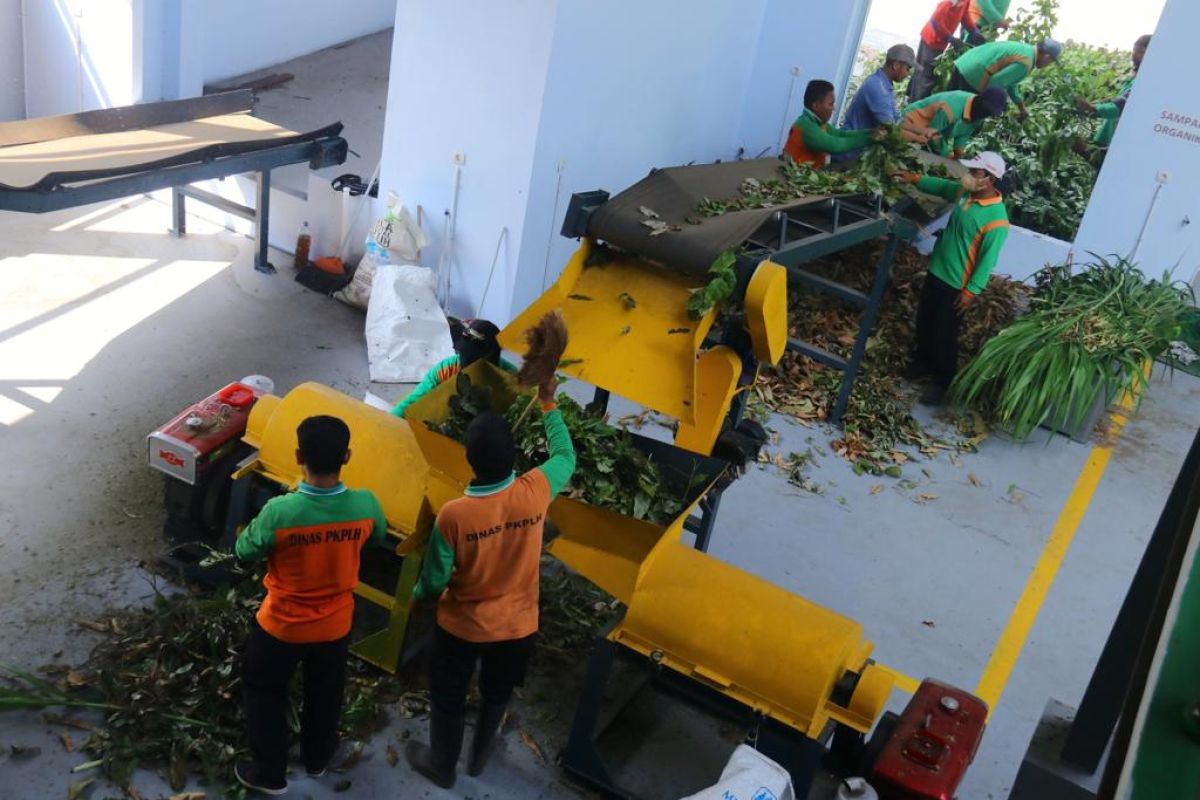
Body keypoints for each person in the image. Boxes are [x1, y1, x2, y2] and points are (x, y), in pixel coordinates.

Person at [405, 373, 575, 788]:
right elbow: (565, 455)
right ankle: (479, 757)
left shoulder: (455, 515)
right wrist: (549, 403)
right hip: (518, 627)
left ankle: (441, 765)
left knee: (448, 695)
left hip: (462, 628)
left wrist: (416, 596)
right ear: (515, 455)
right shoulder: (536, 490)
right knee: (497, 691)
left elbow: (434, 581)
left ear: (470, 460)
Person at [234, 415, 389, 795]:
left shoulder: (281, 512)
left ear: (298, 455)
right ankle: (318, 759)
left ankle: (270, 774)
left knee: (265, 691)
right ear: (347, 456)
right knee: (325, 693)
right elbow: (377, 538)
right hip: (334, 627)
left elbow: (244, 551)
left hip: (281, 627)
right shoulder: (366, 505)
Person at [897, 152, 1010, 405]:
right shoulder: (967, 195)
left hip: (957, 283)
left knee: (945, 333)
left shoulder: (997, 220)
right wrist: (915, 178)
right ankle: (921, 364)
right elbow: (944, 187)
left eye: (975, 173)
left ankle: (942, 381)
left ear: (990, 179)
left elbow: (986, 260)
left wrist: (971, 291)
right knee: (925, 320)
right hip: (938, 270)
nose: (969, 176)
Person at [390, 318, 516, 419]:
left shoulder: (511, 379)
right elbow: (411, 403)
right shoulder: (446, 369)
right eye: (463, 353)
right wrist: (388, 423)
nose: (465, 360)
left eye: (472, 357)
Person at [835, 44, 917, 161]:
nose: (908, 73)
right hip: (850, 154)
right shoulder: (878, 88)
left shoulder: (885, 85)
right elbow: (890, 129)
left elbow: (897, 120)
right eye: (907, 68)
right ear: (896, 65)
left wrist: (922, 132)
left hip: (858, 153)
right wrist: (917, 139)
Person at [951, 38, 1062, 119]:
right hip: (973, 76)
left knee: (948, 103)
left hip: (964, 64)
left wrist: (1021, 106)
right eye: (1051, 61)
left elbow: (1011, 82)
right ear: (1047, 57)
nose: (1049, 64)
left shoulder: (1025, 50)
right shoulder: (1025, 63)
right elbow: (995, 84)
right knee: (963, 116)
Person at [783, 80, 882, 168]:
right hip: (795, 177)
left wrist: (870, 132)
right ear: (816, 106)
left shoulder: (818, 123)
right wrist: (870, 138)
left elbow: (841, 134)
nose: (833, 109)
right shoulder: (806, 126)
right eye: (831, 104)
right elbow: (835, 145)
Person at [1076, 34, 1151, 150]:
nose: (1134, 55)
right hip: (1109, 135)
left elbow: (1121, 106)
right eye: (1134, 51)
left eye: (1140, 52)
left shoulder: (1147, 81)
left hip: (1119, 142)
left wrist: (1092, 108)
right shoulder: (1135, 77)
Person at [900, 88, 1008, 159]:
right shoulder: (950, 109)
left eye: (990, 113)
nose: (986, 114)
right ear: (979, 100)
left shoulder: (979, 114)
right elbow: (933, 138)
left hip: (930, 133)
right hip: (911, 123)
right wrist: (946, 154)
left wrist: (958, 153)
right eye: (987, 110)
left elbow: (963, 134)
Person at [910, 1, 980, 102]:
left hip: (939, 42)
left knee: (921, 71)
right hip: (932, 40)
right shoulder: (950, 1)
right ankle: (915, 106)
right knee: (926, 76)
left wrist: (973, 30)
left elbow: (964, 15)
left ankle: (911, 100)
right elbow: (935, 21)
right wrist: (950, 38)